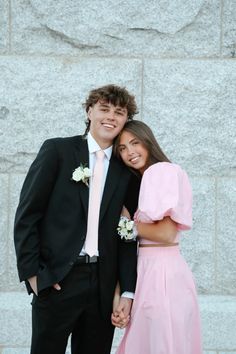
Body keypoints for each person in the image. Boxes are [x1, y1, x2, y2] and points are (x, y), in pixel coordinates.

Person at [14, 84, 141, 354]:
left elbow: (127, 234)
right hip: (58, 278)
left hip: (102, 286)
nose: (111, 116)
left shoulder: (126, 170)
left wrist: (127, 291)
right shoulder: (58, 151)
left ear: (125, 120)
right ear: (89, 111)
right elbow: (27, 216)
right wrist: (34, 275)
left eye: (119, 112)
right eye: (104, 109)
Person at [112, 120, 202, 354]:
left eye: (135, 143)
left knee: (160, 344)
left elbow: (165, 233)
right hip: (151, 270)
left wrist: (125, 225)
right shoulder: (141, 180)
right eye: (122, 148)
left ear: (148, 142)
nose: (129, 152)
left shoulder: (160, 171)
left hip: (161, 274)